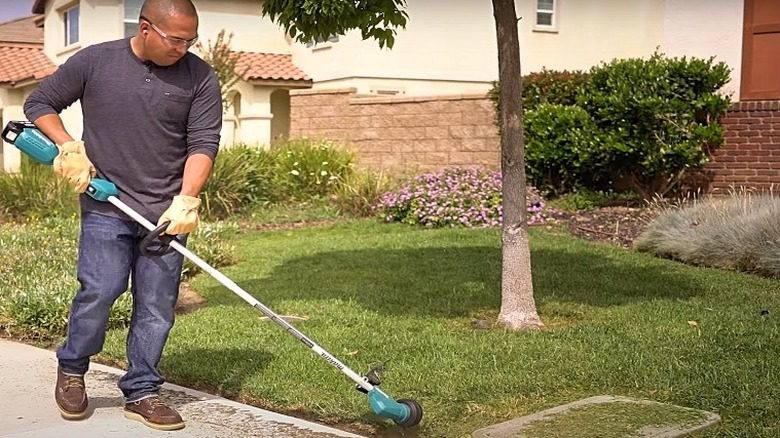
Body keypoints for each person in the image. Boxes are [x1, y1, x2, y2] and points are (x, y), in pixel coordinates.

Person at [23, 0, 222, 431]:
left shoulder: (201, 77)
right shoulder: (97, 60)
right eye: (176, 39)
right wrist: (67, 146)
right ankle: (73, 369)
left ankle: (143, 390)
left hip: (166, 212)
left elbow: (203, 143)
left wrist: (186, 199)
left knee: (156, 306)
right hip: (106, 204)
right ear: (146, 28)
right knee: (100, 290)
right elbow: (39, 103)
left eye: (191, 40)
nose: (184, 48)